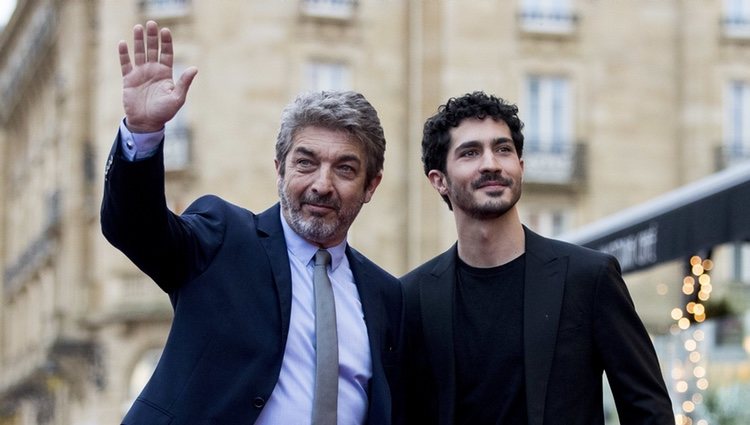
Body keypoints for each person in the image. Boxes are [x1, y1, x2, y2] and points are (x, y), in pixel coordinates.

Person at [101, 21, 402, 425]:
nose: (322, 185)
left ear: (371, 185)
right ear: (279, 169)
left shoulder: (386, 295)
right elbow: (134, 227)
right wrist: (144, 132)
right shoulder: (223, 237)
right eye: (305, 163)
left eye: (345, 169)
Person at [401, 91, 674, 424]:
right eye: (470, 153)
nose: (491, 163)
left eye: (503, 149)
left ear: (520, 167)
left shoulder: (589, 278)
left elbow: (648, 410)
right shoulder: (411, 298)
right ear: (439, 181)